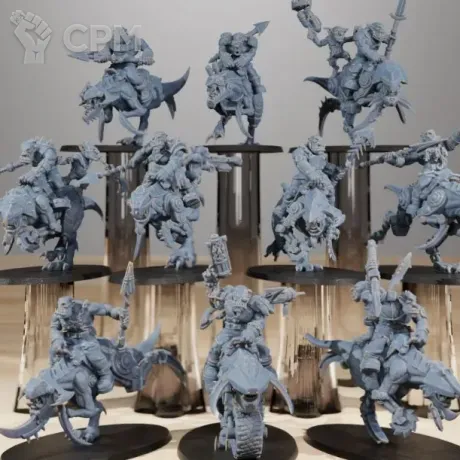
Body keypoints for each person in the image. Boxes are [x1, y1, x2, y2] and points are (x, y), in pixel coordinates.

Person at [50, 296, 128, 395]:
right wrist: (57, 340)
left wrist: (116, 312)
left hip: (86, 340)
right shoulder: (58, 314)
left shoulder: (86, 308)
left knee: (93, 355)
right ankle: (54, 374)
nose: (63, 312)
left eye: (66, 308)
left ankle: (106, 375)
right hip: (68, 340)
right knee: (54, 352)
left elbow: (106, 309)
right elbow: (54, 327)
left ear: (72, 305)